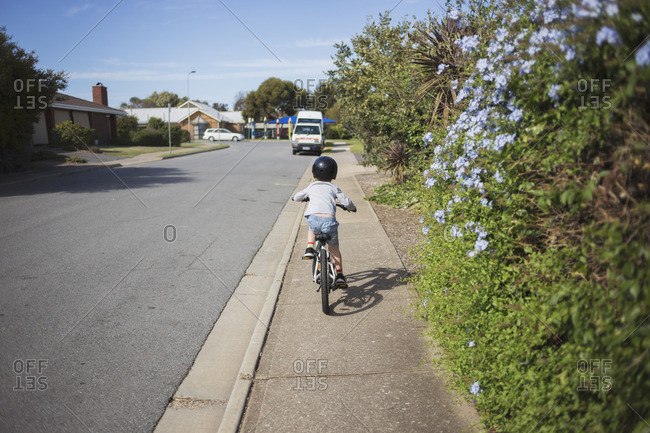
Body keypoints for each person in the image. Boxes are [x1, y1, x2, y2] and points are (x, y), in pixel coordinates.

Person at [293, 156, 356, 288]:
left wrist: (297, 198)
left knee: (311, 227)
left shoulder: (311, 186)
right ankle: (339, 275)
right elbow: (346, 202)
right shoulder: (333, 187)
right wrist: (352, 208)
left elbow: (298, 196)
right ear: (333, 173)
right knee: (334, 249)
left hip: (313, 219)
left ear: (314, 173)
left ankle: (309, 247)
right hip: (329, 221)